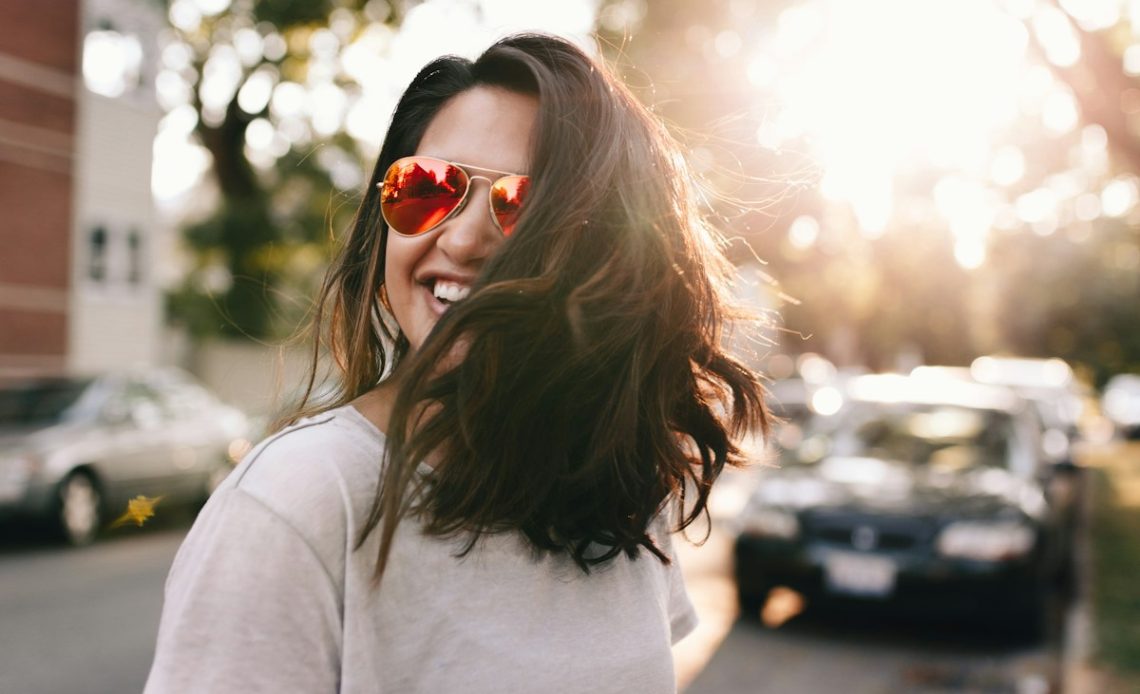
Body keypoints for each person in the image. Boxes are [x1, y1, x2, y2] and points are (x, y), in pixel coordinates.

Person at [144, 33, 767, 693]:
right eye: (427, 189)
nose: (463, 239)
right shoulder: (297, 502)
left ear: (612, 258)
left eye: (524, 206)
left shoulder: (620, 488)